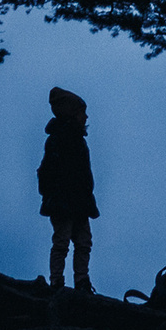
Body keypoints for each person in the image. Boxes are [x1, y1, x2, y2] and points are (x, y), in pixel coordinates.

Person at [38, 86, 98, 292]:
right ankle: (57, 282)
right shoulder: (57, 140)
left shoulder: (78, 141)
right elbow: (47, 172)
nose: (86, 116)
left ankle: (82, 281)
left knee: (84, 242)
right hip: (63, 201)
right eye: (82, 112)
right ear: (72, 113)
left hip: (80, 200)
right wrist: (53, 195)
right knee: (62, 241)